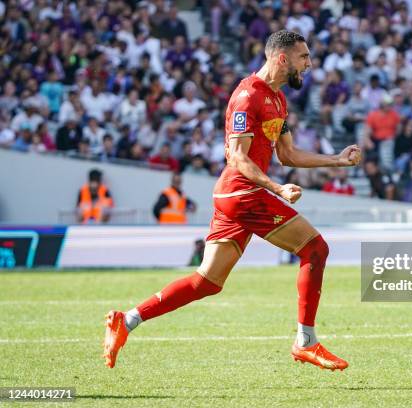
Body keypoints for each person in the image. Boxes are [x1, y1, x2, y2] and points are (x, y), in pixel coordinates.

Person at [104, 30, 361, 371]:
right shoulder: (247, 96)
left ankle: (128, 320)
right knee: (315, 249)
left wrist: (337, 160)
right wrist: (277, 189)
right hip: (244, 194)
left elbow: (288, 154)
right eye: (304, 57)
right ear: (282, 58)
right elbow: (238, 158)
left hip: (236, 195)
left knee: (206, 282)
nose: (309, 64)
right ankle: (306, 342)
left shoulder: (278, 100)